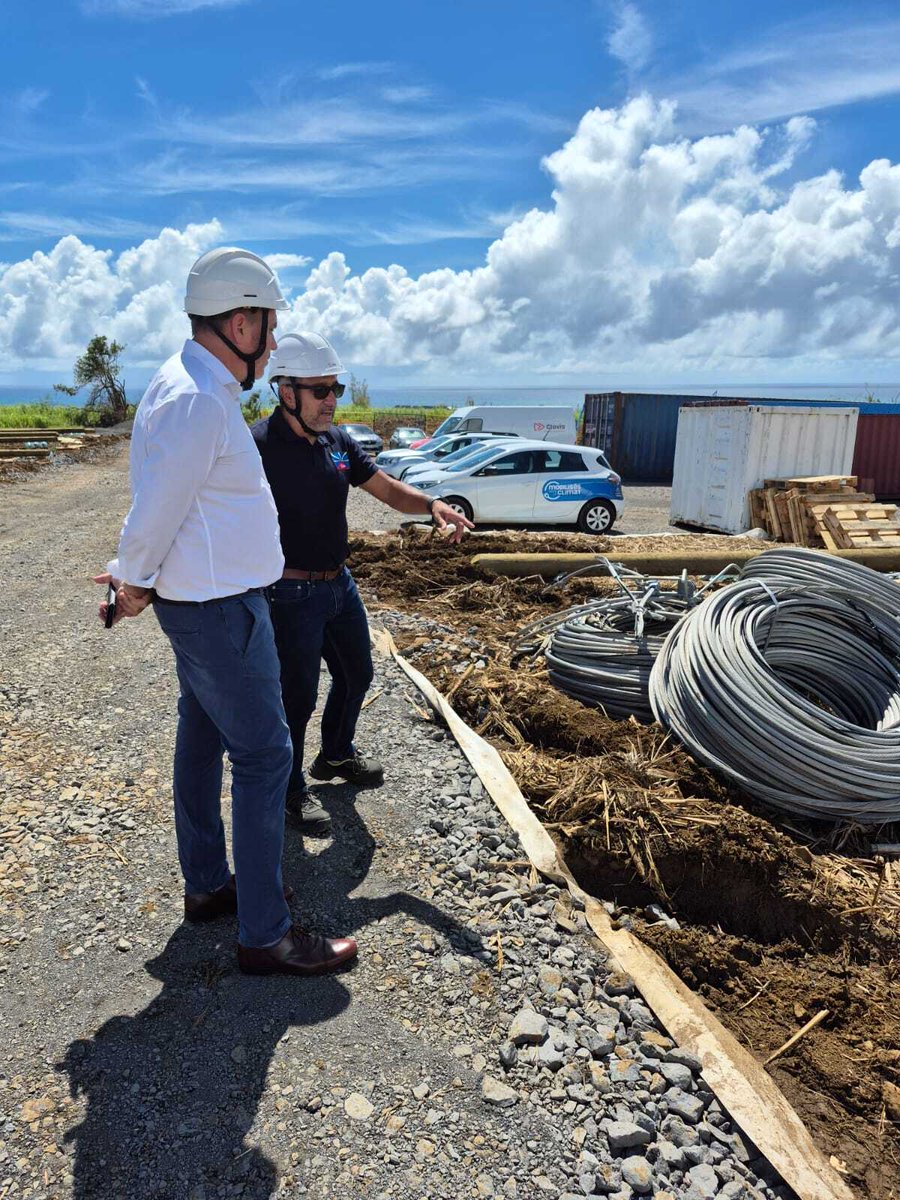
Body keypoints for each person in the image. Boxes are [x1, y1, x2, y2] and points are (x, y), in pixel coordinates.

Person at [93, 249, 358, 977]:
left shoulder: (189, 388)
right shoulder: (197, 400)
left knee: (204, 735)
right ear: (240, 321)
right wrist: (132, 579)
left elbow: (169, 499)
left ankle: (210, 885)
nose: (273, 345)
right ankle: (265, 933)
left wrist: (132, 574)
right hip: (218, 609)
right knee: (267, 754)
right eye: (269, 330)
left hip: (212, 601)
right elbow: (158, 506)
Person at [252, 332, 474, 837]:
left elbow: (387, 490)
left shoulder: (338, 442)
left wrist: (433, 504)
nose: (332, 400)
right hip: (289, 593)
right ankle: (289, 792)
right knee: (296, 698)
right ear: (286, 392)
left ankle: (334, 755)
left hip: (339, 586)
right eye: (320, 390)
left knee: (358, 675)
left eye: (337, 389)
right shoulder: (257, 447)